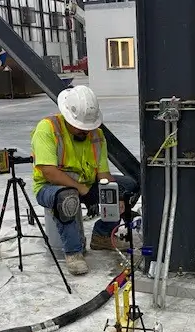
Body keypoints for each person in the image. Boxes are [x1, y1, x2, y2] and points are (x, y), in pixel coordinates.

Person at [30, 85, 138, 276]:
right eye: (80, 127)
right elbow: (49, 172)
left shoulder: (96, 135)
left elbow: (103, 173)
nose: (85, 131)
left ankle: (102, 236)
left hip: (86, 185)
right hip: (51, 188)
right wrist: (81, 188)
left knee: (128, 187)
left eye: (88, 127)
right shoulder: (48, 128)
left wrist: (115, 195)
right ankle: (74, 252)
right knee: (67, 197)